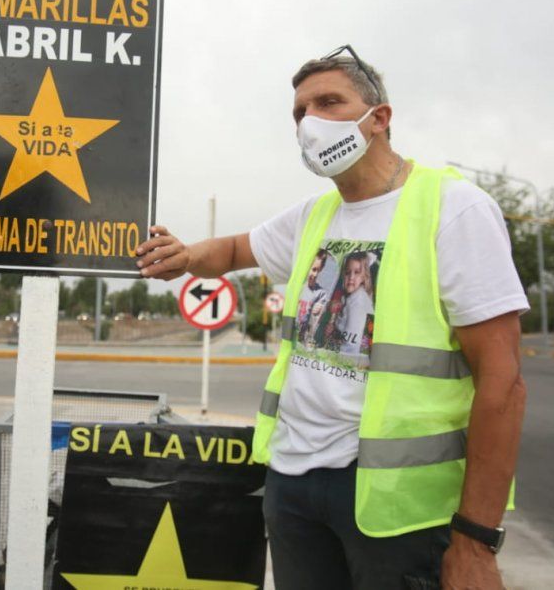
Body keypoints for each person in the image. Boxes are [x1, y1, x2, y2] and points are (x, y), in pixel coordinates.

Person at [134, 45, 529, 589]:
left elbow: (503, 382)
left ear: (379, 118)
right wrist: (184, 258)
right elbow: (231, 250)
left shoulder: (454, 208)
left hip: (397, 508)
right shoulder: (313, 217)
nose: (311, 123)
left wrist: (477, 541)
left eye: (328, 103)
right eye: (300, 113)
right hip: (294, 485)